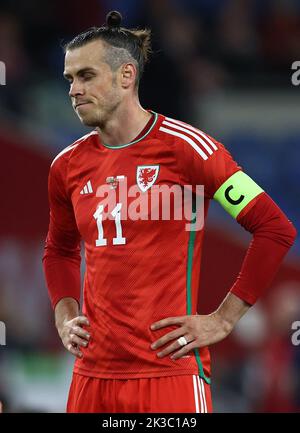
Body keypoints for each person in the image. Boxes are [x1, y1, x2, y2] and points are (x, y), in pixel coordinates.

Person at [42, 10, 297, 413]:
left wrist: (223, 319)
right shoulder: (66, 167)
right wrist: (63, 315)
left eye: (86, 76)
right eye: (69, 79)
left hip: (169, 374)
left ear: (126, 76)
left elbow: (274, 228)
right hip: (91, 377)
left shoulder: (190, 150)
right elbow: (59, 250)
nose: (74, 89)